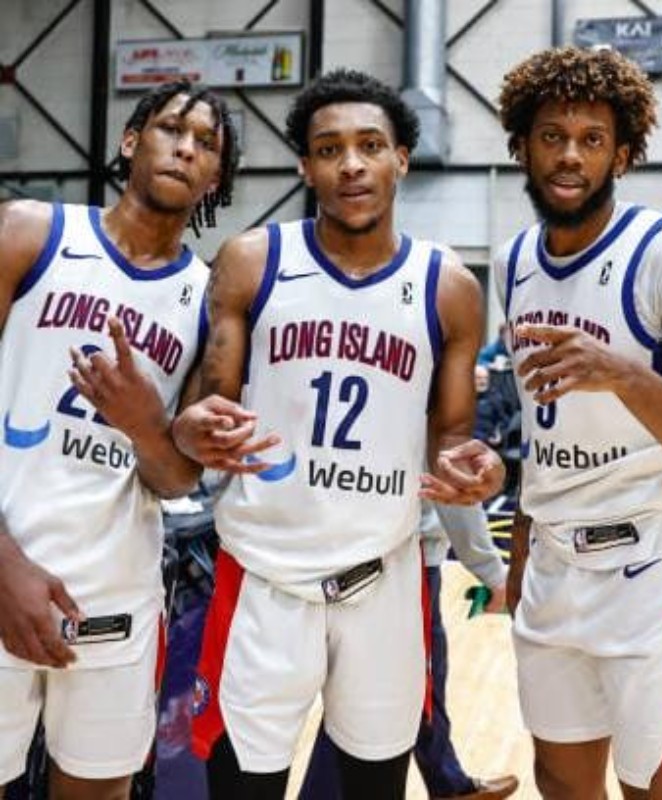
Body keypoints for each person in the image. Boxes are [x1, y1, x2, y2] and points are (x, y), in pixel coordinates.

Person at [171, 68, 504, 799]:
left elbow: (452, 439)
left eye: (369, 146)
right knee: (241, 789)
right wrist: (192, 431)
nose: (351, 164)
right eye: (329, 150)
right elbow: (207, 406)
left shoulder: (448, 286)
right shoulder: (254, 261)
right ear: (305, 166)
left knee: (375, 787)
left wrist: (483, 470)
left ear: (401, 159)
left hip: (383, 582)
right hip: (263, 579)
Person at [488, 45, 662, 799]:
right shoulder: (511, 262)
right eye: (551, 136)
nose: (570, 155)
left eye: (591, 139)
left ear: (621, 155)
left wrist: (624, 374)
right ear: (522, 147)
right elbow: (543, 434)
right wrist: (521, 558)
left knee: (657, 788)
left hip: (658, 570)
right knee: (560, 783)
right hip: (553, 566)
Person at [0, 80, 240, 800]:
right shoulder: (28, 234)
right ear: (130, 141)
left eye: (206, 143)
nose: (185, 148)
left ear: (216, 177)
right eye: (170, 129)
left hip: (114, 598)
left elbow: (176, 480)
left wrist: (143, 424)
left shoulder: (210, 302)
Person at [298, 499, 519, 800]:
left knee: (402, 683)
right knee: (370, 693)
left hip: (360, 552)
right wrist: (492, 572)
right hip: (404, 559)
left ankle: (448, 782)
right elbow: (456, 487)